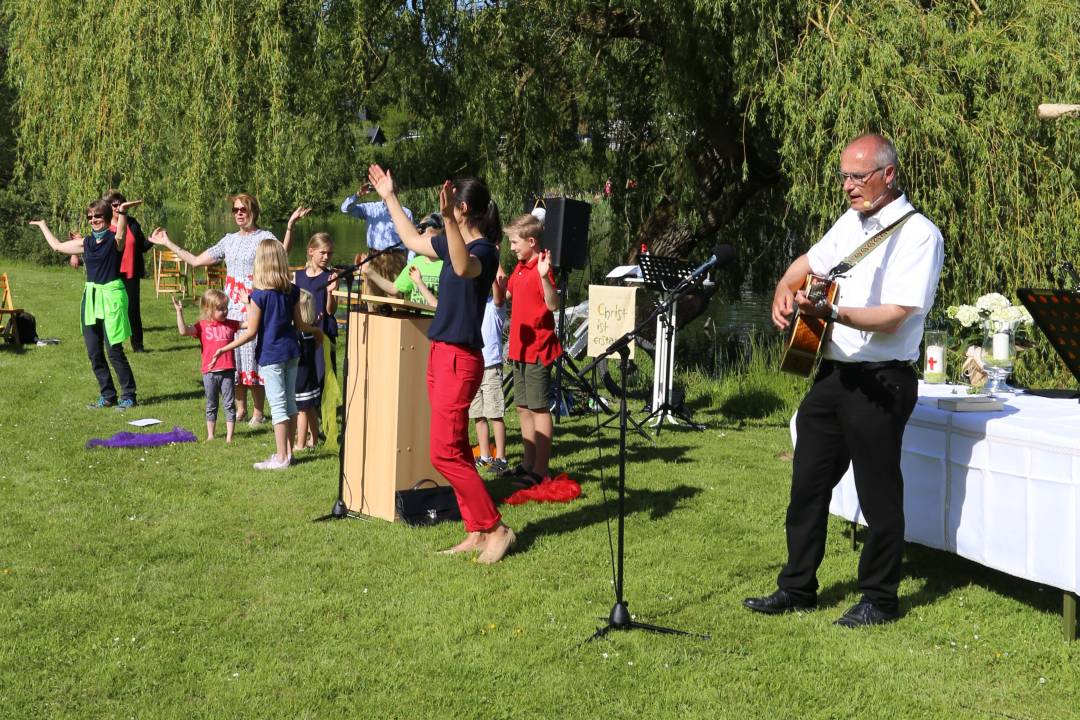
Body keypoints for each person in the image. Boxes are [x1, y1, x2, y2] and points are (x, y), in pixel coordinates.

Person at [744, 133, 944, 628]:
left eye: (858, 177)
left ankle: (880, 599)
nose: (848, 187)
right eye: (844, 177)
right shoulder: (851, 222)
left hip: (882, 379)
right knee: (807, 484)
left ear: (889, 174)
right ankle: (796, 588)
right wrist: (782, 289)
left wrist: (831, 311)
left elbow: (895, 315)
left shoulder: (919, 234)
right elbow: (805, 265)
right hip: (833, 375)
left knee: (878, 495)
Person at [368, 163, 515, 564]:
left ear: (463, 209)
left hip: (460, 359)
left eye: (453, 206)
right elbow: (413, 240)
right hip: (441, 355)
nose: (447, 209)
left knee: (443, 454)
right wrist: (389, 197)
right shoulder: (451, 246)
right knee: (457, 450)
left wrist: (447, 218)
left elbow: (465, 267)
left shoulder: (483, 250)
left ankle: (497, 528)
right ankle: (477, 530)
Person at [148, 196, 310, 425]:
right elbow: (195, 261)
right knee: (233, 357)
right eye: (235, 210)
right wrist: (168, 243)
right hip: (230, 305)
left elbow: (281, 254)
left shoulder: (264, 237)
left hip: (253, 300)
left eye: (243, 209)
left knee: (253, 354)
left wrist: (290, 226)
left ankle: (258, 411)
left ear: (253, 210)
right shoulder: (229, 240)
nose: (239, 213)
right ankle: (240, 409)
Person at [211, 239, 324, 470]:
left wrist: (224, 348)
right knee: (290, 403)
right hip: (292, 352)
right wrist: (317, 330)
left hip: (272, 356)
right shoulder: (291, 290)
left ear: (260, 262)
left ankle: (281, 458)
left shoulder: (260, 294)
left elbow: (251, 332)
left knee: (279, 406)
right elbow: (301, 325)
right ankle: (288, 453)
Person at [30, 198, 142, 409]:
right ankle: (108, 395)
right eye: (90, 217)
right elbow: (57, 246)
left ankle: (129, 395)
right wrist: (43, 225)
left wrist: (124, 213)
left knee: (114, 349)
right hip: (91, 298)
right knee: (94, 351)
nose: (93, 220)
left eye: (97, 216)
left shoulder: (113, 240)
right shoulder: (86, 242)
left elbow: (121, 235)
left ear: (107, 218)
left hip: (111, 297)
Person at [503, 213, 562, 487]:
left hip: (537, 349)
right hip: (518, 348)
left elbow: (552, 305)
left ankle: (540, 470)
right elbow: (507, 295)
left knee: (539, 408)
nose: (511, 248)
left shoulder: (541, 267)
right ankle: (527, 463)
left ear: (531, 241)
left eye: (514, 243)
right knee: (523, 407)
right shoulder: (520, 267)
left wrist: (545, 278)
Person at [172, 289, 241, 442]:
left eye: (226, 307)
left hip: (228, 370)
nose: (225, 311)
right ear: (208, 309)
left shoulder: (231, 324)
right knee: (211, 404)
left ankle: (230, 437)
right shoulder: (202, 326)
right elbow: (183, 331)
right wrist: (179, 312)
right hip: (209, 372)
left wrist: (249, 304)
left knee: (229, 404)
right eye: (220, 308)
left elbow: (250, 325)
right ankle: (211, 435)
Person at [293, 232, 338, 450]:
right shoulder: (298, 276)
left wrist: (331, 293)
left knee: (321, 378)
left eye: (329, 253)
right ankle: (311, 432)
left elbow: (331, 311)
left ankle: (321, 427)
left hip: (322, 333)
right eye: (322, 252)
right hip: (303, 334)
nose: (326, 257)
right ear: (311, 251)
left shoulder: (330, 276)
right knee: (306, 380)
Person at [341, 183, 413, 297]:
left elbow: (412, 239)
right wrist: (358, 195)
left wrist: (410, 264)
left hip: (396, 258)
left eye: (390, 188)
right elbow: (345, 209)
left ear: (396, 190)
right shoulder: (371, 208)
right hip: (373, 257)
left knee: (395, 298)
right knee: (372, 297)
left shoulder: (406, 212)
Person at [359, 212, 445, 307]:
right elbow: (393, 288)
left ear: (439, 232)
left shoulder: (448, 263)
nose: (419, 235)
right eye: (419, 231)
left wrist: (419, 282)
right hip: (415, 319)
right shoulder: (416, 262)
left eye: (423, 231)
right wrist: (369, 271)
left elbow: (443, 307)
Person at [104, 190, 153, 352]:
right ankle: (114, 344)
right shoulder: (105, 226)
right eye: (115, 205)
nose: (118, 208)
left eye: (121, 205)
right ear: (109, 207)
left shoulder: (132, 223)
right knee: (115, 310)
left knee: (133, 311)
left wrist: (152, 240)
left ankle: (138, 346)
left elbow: (141, 247)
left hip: (131, 273)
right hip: (113, 274)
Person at [471, 268, 509, 476]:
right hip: (475, 365)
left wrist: (492, 270)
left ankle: (501, 456)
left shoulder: (495, 307)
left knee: (495, 413)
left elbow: (498, 295)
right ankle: (484, 455)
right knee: (477, 414)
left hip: (491, 367)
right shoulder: (474, 306)